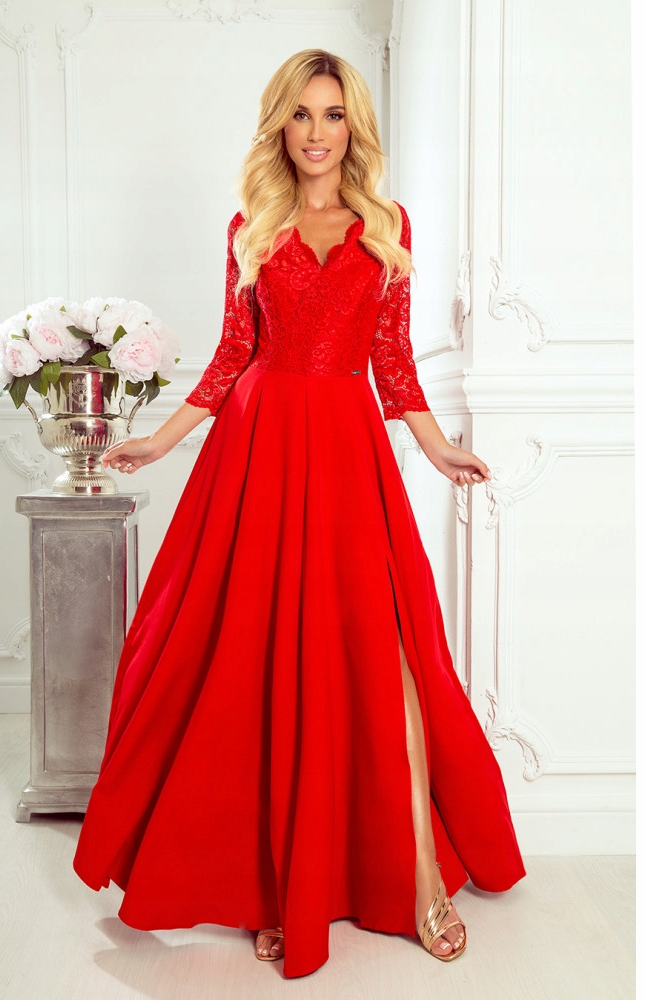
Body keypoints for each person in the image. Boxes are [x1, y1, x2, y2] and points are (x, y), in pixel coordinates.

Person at [72, 48, 525, 979]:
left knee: (386, 655)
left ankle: (422, 880)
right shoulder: (253, 227)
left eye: (334, 115)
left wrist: (440, 448)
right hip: (260, 450)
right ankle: (276, 889)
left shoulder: (387, 226)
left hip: (349, 453)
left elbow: (392, 363)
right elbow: (232, 354)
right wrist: (159, 441)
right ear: (280, 125)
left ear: (354, 127)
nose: (318, 133)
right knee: (261, 657)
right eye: (302, 114)